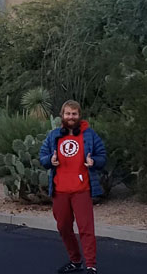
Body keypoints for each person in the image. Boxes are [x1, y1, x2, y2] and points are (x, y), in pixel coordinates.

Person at [39, 100, 107, 274]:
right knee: (63, 227)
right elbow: (43, 157)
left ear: (79, 115)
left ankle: (91, 265)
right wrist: (50, 161)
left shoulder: (90, 135)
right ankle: (75, 260)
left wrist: (94, 162)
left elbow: (102, 156)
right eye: (68, 114)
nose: (71, 117)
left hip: (82, 189)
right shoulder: (54, 135)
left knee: (86, 229)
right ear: (62, 115)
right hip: (60, 191)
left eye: (74, 114)